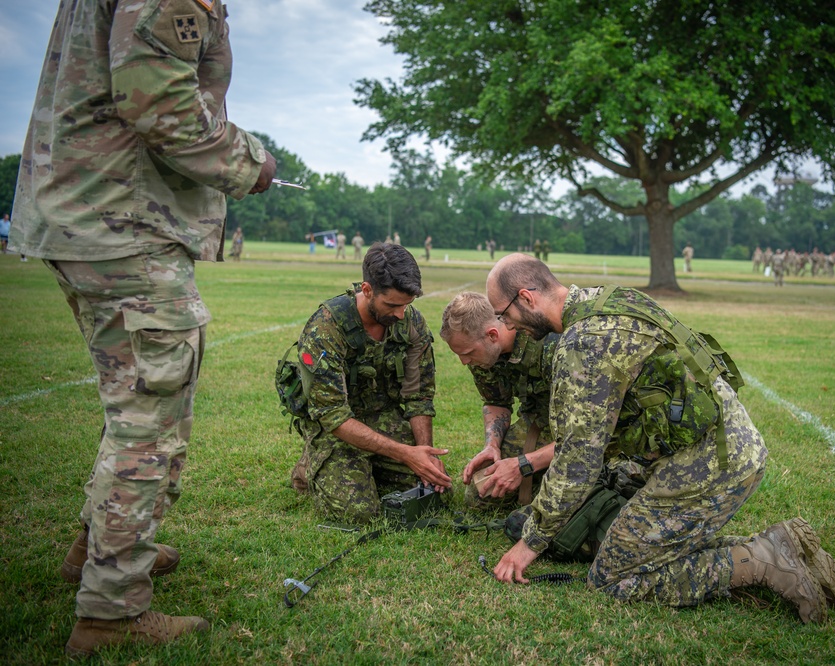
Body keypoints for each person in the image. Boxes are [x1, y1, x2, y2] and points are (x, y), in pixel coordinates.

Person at [8, 0, 277, 656]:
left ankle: (98, 550)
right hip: (119, 214)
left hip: (87, 209)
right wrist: (251, 164)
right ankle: (112, 609)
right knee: (151, 416)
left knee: (131, 403)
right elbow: (160, 105)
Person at [484, 255, 835, 623]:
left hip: (706, 465)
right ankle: (784, 547)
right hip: (731, 443)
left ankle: (763, 561)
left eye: (504, 313)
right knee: (643, 547)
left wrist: (529, 543)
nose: (506, 323)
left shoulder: (583, 344)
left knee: (613, 578)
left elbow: (576, 462)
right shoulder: (612, 299)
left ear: (527, 297)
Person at [289, 243, 450, 523]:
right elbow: (333, 415)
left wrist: (425, 454)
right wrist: (405, 454)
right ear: (367, 290)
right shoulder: (326, 329)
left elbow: (418, 396)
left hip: (383, 417)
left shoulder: (410, 323)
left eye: (406, 305)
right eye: (392, 305)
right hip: (336, 428)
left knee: (434, 493)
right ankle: (310, 464)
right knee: (359, 514)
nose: (400, 314)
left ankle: (369, 466)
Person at [439, 292, 558, 510]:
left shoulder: (548, 344)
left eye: (467, 353)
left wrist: (523, 465)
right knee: (481, 495)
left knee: (562, 501)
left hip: (579, 429)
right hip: (538, 423)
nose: (464, 362)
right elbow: (496, 402)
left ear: (493, 335)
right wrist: (491, 445)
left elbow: (586, 434)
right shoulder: (483, 356)